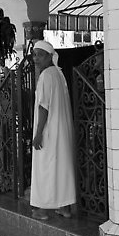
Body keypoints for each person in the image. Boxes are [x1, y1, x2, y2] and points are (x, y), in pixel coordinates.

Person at [30, 40, 76, 221]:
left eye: (40, 55)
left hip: (49, 131)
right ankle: (65, 207)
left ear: (50, 56)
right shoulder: (59, 74)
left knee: (45, 168)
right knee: (61, 167)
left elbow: (43, 107)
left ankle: (42, 209)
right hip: (62, 132)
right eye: (34, 55)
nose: (36, 59)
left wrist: (39, 133)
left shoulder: (46, 76)